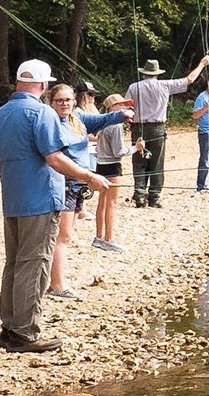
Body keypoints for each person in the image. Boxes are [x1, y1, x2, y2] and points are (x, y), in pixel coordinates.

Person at [0, 59, 112, 353]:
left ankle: (9, 328)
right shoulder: (41, 112)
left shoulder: (0, 114)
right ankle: (25, 333)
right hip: (41, 200)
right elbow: (54, 158)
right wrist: (89, 176)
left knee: (14, 263)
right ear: (43, 86)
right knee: (35, 264)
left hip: (13, 199)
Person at [47, 83, 132, 300]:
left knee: (67, 235)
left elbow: (103, 120)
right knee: (62, 237)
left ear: (74, 101)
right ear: (51, 102)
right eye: (59, 100)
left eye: (68, 100)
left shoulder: (78, 118)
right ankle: (57, 286)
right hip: (64, 184)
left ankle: (56, 281)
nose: (64, 104)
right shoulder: (50, 121)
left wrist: (123, 114)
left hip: (79, 185)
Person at [125, 55, 209, 208]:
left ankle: (139, 196)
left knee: (139, 162)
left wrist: (130, 121)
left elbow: (127, 108)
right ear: (157, 73)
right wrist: (202, 64)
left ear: (143, 73)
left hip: (139, 128)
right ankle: (154, 197)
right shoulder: (165, 85)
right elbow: (189, 79)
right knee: (157, 163)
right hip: (158, 128)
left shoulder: (134, 87)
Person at [93, 94, 140, 252]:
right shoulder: (116, 126)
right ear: (111, 108)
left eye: (124, 105)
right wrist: (136, 148)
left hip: (100, 165)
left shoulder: (101, 123)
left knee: (102, 202)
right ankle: (109, 239)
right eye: (120, 105)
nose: (124, 108)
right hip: (113, 167)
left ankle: (98, 237)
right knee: (111, 204)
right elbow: (118, 151)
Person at [74, 81, 100, 221]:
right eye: (90, 95)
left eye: (94, 95)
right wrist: (99, 139)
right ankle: (81, 209)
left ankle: (82, 208)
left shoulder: (91, 110)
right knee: (82, 181)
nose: (93, 98)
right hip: (84, 150)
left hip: (92, 150)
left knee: (86, 181)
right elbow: (81, 133)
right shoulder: (78, 112)